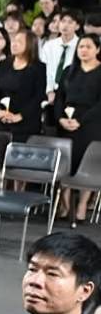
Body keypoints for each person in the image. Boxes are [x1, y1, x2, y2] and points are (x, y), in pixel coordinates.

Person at [55, 34, 101, 223]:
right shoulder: (69, 70)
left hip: (91, 124)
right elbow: (59, 97)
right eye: (81, 46)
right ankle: (66, 206)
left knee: (87, 164)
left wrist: (81, 120)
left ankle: (82, 205)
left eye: (88, 46)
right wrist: (60, 118)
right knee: (65, 163)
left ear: (98, 49)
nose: (84, 50)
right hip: (66, 122)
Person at [0, 25, 46, 139]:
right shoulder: (4, 65)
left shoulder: (39, 68)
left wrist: (19, 116)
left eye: (19, 42)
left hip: (26, 123)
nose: (14, 44)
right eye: (13, 41)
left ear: (30, 44)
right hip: (1, 121)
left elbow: (38, 97)